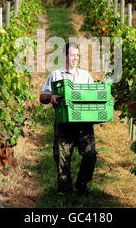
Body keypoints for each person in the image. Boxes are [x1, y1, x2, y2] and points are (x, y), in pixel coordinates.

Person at [40, 42, 96, 196]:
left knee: (90, 155)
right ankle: (65, 190)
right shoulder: (56, 75)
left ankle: (82, 183)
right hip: (64, 124)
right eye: (72, 55)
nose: (75, 58)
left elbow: (93, 97)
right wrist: (51, 97)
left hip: (84, 125)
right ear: (65, 56)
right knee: (61, 159)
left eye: (77, 55)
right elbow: (42, 97)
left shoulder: (85, 76)